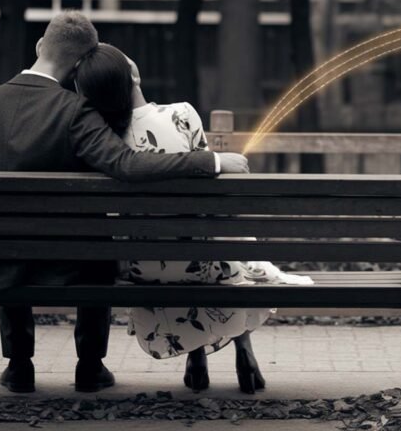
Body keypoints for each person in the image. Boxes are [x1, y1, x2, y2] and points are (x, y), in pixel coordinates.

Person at [0, 12, 250, 394]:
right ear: (81, 64)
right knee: (93, 247)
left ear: (39, 46)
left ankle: (18, 365)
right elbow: (127, 164)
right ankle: (90, 366)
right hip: (67, 266)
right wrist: (211, 160)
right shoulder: (75, 111)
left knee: (4, 229)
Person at [74, 42, 312, 394]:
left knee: (185, 247)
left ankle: (196, 352)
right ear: (134, 75)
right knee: (225, 245)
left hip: (141, 271)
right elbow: (212, 196)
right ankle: (243, 348)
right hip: (205, 264)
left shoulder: (103, 141)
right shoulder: (181, 115)